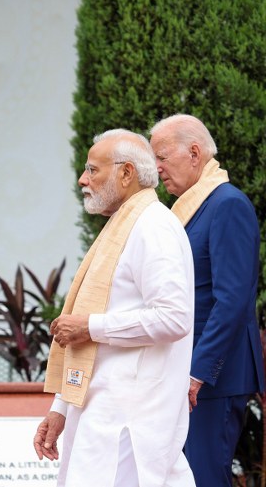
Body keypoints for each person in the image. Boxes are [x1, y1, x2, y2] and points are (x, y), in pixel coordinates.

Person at [33, 129, 196, 487]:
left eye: (92, 169)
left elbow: (174, 317)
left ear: (126, 174)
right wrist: (60, 408)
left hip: (132, 420)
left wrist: (91, 327)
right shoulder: (121, 227)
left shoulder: (153, 227)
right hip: (100, 411)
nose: (82, 179)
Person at [149, 114, 265, 487]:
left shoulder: (226, 204)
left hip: (211, 378)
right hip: (187, 374)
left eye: (162, 157)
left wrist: (197, 373)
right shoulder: (195, 205)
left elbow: (231, 301)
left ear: (195, 152)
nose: (157, 168)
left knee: (203, 478)